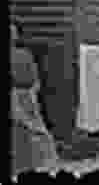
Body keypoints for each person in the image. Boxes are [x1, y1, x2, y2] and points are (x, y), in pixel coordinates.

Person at [10, 23, 60, 177]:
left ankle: (43, 164)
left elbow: (35, 77)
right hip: (14, 95)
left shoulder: (25, 54)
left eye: (13, 33)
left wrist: (33, 93)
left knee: (37, 129)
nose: (12, 36)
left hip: (27, 95)